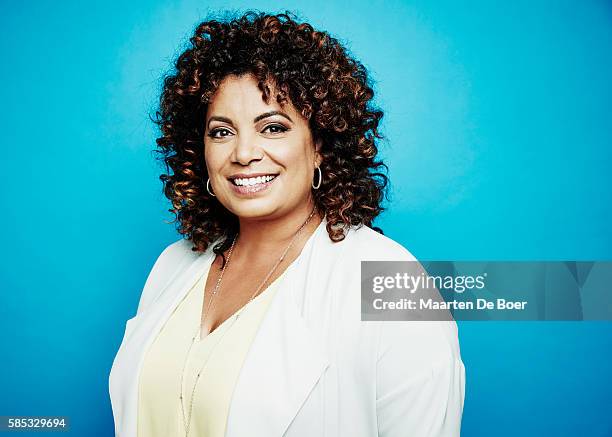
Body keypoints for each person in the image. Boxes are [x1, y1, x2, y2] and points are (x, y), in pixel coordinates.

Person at [109, 10, 465, 437]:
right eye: (221, 132)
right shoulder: (173, 266)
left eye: (273, 128)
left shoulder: (390, 281)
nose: (243, 153)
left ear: (320, 145)